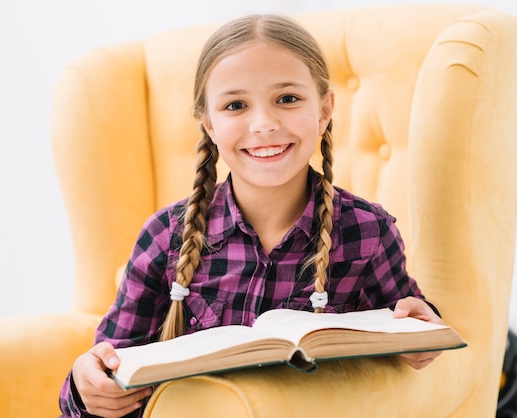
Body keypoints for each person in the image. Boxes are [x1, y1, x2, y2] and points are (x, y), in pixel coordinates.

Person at [59, 13, 444, 418]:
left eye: (287, 99)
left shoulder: (368, 233)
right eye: (236, 105)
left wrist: (421, 332)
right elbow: (104, 372)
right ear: (208, 124)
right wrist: (87, 387)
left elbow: (412, 332)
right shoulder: (165, 236)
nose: (264, 124)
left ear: (325, 109)